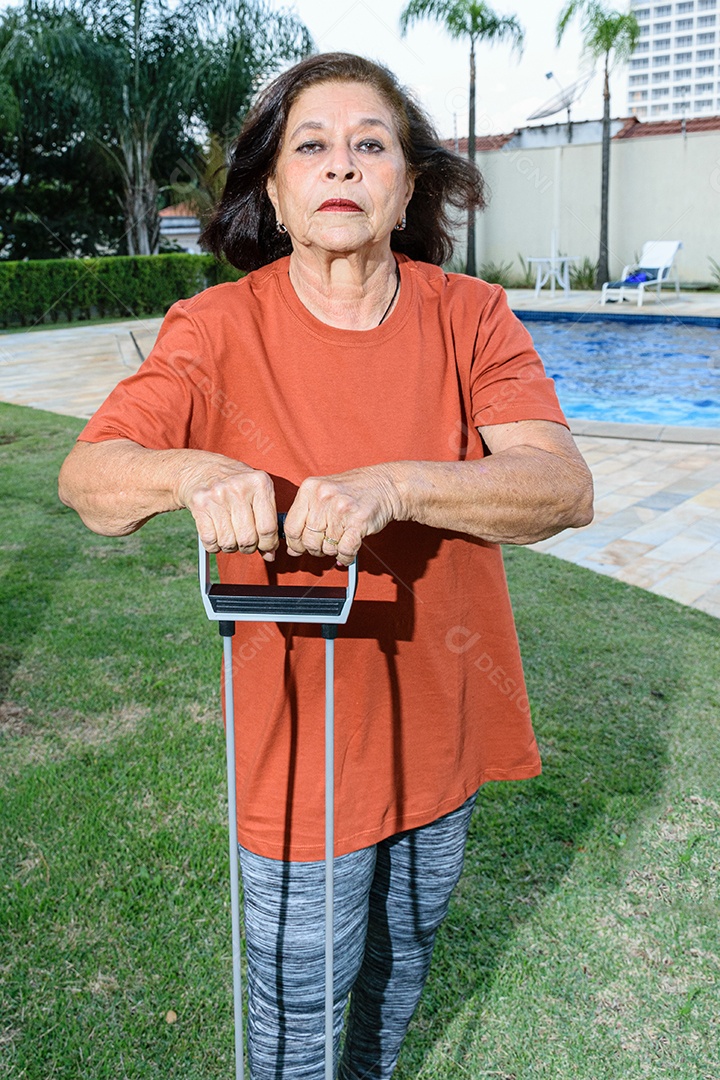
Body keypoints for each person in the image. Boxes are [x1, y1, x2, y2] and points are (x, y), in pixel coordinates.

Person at [59, 52, 593, 1080]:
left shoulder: (470, 314)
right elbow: (92, 480)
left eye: (369, 145)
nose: (340, 165)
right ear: (274, 187)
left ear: (405, 187)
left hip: (442, 732)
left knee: (393, 989)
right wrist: (193, 470)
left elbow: (559, 487)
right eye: (311, 145)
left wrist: (393, 485)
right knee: (294, 1023)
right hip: (297, 754)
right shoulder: (213, 329)